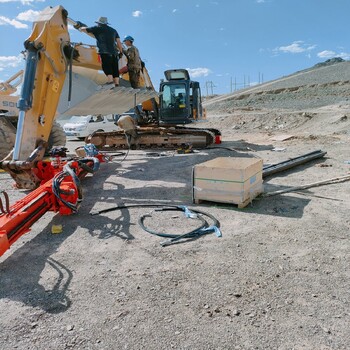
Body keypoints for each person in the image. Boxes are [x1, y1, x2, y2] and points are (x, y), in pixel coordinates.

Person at [74, 17, 124, 87]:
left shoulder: (98, 28)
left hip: (104, 51)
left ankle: (110, 82)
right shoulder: (113, 31)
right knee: (114, 67)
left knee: (107, 66)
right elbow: (118, 42)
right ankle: (116, 83)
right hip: (114, 53)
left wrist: (79, 27)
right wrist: (121, 52)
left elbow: (85, 29)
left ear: (99, 23)